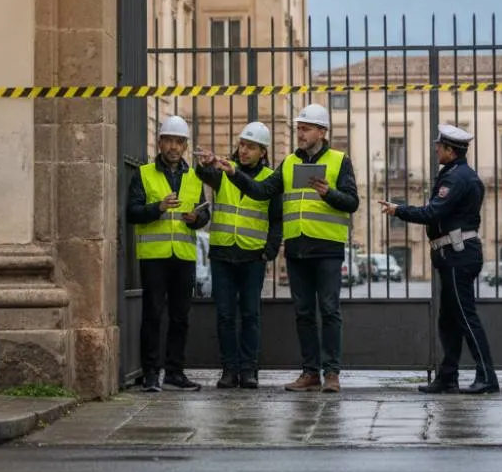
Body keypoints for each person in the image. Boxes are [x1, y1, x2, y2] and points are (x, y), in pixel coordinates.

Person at [205, 103, 359, 393]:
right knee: (302, 313)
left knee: (329, 310)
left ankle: (333, 373)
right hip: (297, 249)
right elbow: (262, 191)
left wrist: (330, 193)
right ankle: (310, 372)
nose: (300, 133)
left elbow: (352, 202)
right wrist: (235, 173)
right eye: (298, 128)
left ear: (322, 132)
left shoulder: (340, 161)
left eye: (306, 128)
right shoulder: (288, 163)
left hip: (327, 248)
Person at [378, 124, 499, 395]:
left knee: (466, 317)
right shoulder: (457, 174)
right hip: (453, 255)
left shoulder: (456, 178)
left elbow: (433, 213)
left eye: (439, 146)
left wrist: (399, 210)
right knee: (449, 319)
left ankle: (487, 377)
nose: (435, 149)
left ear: (450, 150)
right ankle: (448, 377)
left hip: (458, 256)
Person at [193, 121, 283, 389]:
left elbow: (276, 220)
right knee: (224, 315)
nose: (243, 151)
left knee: (251, 315)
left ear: (262, 152)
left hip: (253, 256)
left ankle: (249, 369)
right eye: (242, 145)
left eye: (251, 147)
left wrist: (269, 251)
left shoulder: (270, 178)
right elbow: (203, 174)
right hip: (222, 254)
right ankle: (229, 369)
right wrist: (207, 164)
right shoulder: (223, 171)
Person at [125, 114, 211, 392]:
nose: (174, 147)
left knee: (180, 317)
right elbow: (132, 213)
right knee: (152, 314)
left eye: (179, 142)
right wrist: (158, 208)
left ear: (185, 146)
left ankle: (175, 372)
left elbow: (203, 213)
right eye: (169, 141)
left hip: (184, 256)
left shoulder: (194, 177)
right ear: (159, 142)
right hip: (154, 256)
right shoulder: (144, 174)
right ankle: (151, 373)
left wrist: (195, 219)